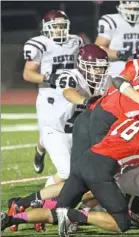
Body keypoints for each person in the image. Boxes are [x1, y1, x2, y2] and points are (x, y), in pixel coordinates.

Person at [1, 118, 139, 236]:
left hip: (84, 161)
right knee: (122, 224)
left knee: (57, 212)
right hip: (101, 171)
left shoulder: (130, 121)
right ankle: (76, 216)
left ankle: (11, 218)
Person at [8, 44, 109, 232]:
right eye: (94, 66)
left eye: (101, 67)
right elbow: (69, 93)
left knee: (83, 177)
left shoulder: (105, 81)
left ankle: (35, 206)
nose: (98, 71)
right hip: (56, 131)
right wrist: (86, 101)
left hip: (79, 135)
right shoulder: (70, 76)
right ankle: (36, 207)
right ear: (82, 64)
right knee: (67, 173)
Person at [22, 10, 82, 177]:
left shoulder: (75, 41)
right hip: (49, 95)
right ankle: (40, 151)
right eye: (55, 27)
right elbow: (28, 74)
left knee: (69, 131)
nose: (59, 30)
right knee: (49, 132)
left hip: (70, 93)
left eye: (62, 26)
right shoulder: (39, 44)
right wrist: (48, 77)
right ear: (46, 27)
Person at [95, 1, 139, 76]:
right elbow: (98, 49)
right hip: (117, 70)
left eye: (135, 9)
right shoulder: (111, 22)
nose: (133, 11)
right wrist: (119, 54)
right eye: (129, 8)